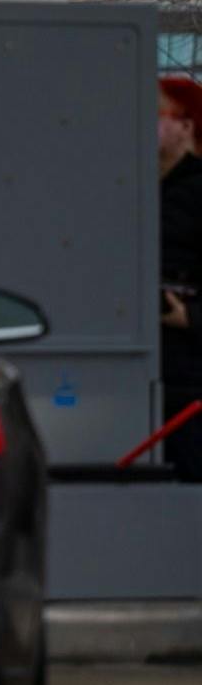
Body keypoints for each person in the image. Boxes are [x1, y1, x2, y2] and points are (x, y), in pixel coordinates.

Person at [158, 76, 202, 479]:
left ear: (186, 126)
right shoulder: (136, 189)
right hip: (147, 379)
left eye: (156, 116)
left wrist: (191, 317)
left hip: (189, 386)